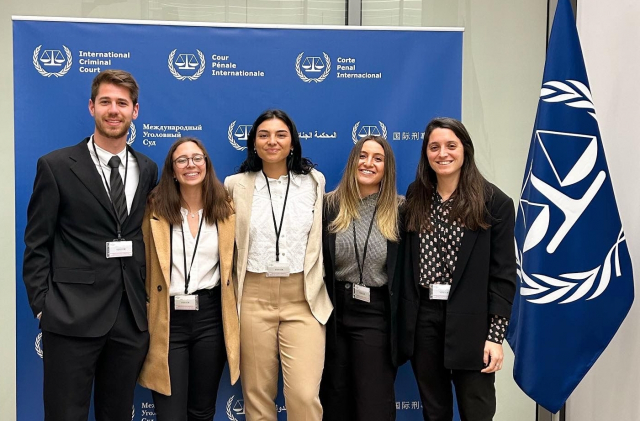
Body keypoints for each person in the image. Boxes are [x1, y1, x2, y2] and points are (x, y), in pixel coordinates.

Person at [22, 69, 158, 421]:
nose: (114, 110)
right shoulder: (55, 166)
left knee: (117, 414)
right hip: (70, 317)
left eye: (122, 103)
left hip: (129, 318)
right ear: (92, 107)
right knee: (65, 413)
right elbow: (37, 243)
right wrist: (43, 307)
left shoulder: (148, 169)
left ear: (135, 111)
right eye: (106, 102)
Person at [403, 117, 516, 421]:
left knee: (476, 410)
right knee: (434, 411)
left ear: (465, 149)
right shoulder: (416, 196)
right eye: (434, 146)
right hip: (424, 321)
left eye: (451, 145)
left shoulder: (495, 204)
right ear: (426, 153)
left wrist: (495, 337)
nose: (443, 153)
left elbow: (503, 278)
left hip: (473, 324)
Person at [224, 109, 332, 421]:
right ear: (253, 144)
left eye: (281, 135)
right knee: (257, 394)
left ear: (293, 143)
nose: (273, 141)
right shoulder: (235, 185)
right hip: (254, 297)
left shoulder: (313, 182)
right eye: (264, 135)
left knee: (304, 395)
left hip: (304, 297)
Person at [138, 137, 239, 420]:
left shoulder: (227, 208)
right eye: (181, 160)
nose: (190, 165)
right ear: (172, 170)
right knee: (170, 414)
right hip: (167, 318)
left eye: (197, 158)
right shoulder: (154, 209)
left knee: (202, 411)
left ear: (206, 163)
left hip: (210, 317)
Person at [319, 135, 406, 421]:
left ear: (387, 168)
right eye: (363, 156)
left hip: (376, 317)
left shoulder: (400, 209)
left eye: (377, 158)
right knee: (335, 400)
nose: (368, 163)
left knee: (374, 405)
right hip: (334, 316)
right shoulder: (329, 206)